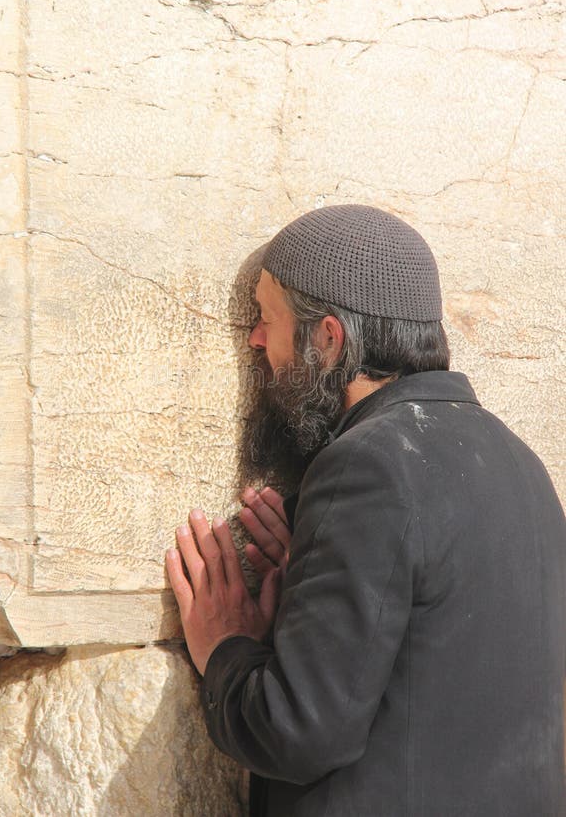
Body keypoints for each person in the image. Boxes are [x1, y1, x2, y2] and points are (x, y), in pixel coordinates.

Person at [166, 204, 566, 817]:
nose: (253, 340)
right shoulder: (522, 466)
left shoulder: (370, 463)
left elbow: (299, 731)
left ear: (328, 338)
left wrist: (226, 646)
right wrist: (318, 564)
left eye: (265, 318)